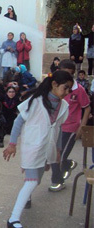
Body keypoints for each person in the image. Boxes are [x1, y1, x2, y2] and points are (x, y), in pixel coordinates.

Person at [3, 70, 74, 228]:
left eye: (70, 89)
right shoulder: (35, 101)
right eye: (65, 88)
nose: (67, 92)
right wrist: (12, 144)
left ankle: (26, 197)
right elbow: (18, 122)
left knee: (37, 180)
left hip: (47, 149)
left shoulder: (64, 106)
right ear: (54, 84)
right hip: (32, 147)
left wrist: (58, 150)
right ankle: (13, 219)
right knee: (32, 180)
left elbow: (59, 128)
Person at [49, 60, 91, 192]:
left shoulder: (79, 90)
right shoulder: (54, 86)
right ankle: (68, 163)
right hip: (55, 126)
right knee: (52, 154)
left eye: (69, 74)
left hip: (71, 128)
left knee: (59, 155)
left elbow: (87, 108)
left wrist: (82, 126)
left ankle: (58, 181)